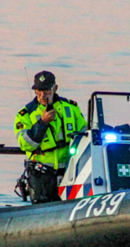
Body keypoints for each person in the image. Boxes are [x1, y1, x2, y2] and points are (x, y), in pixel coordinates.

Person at [14, 70, 87, 203]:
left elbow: (85, 135)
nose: (42, 95)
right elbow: (25, 144)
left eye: (46, 91)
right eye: (39, 91)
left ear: (55, 88)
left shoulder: (71, 108)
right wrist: (42, 123)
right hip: (41, 174)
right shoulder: (25, 114)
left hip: (69, 171)